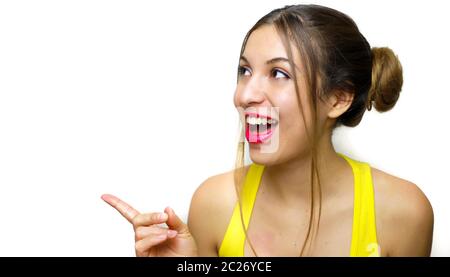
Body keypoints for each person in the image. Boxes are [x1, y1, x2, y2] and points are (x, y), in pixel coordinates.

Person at [101, 4, 434, 257]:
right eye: (245, 70)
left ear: (338, 98)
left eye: (278, 74)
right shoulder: (214, 204)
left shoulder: (403, 212)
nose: (244, 96)